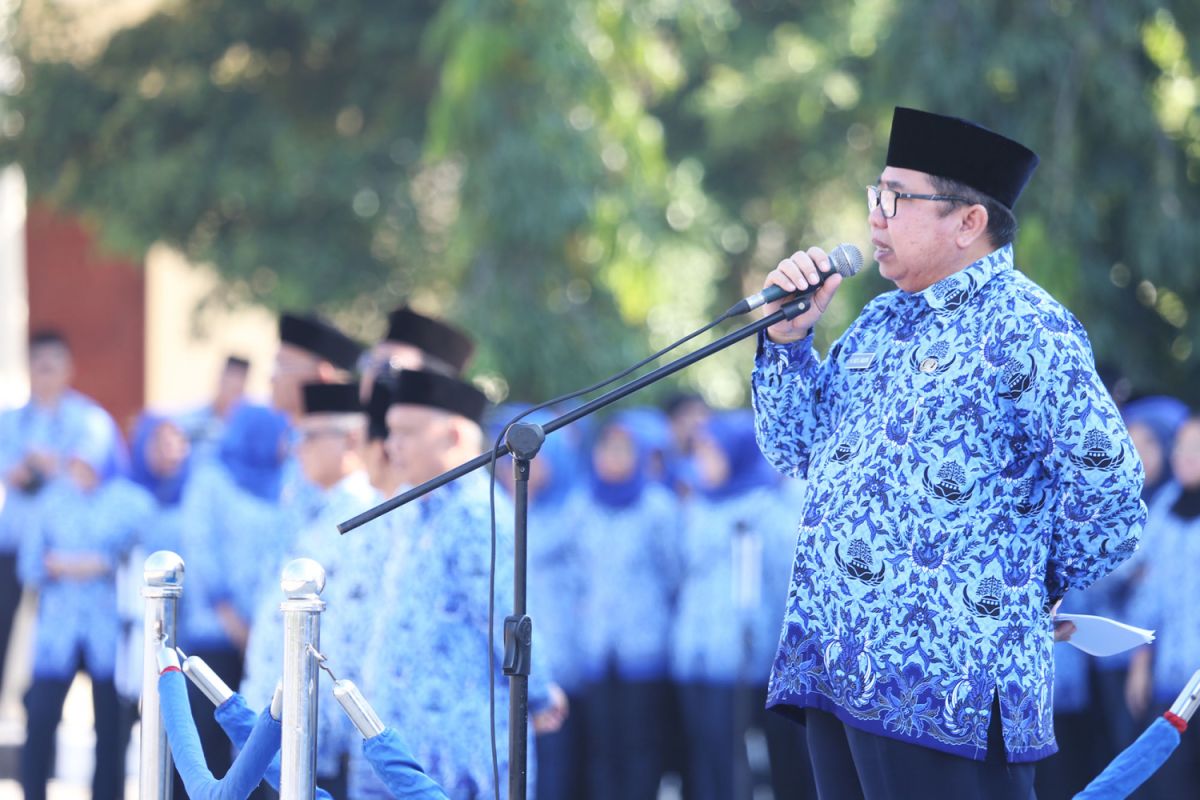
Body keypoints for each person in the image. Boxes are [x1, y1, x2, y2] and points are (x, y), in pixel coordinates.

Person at [750, 107, 1146, 798]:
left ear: (969, 223)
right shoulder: (880, 323)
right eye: (876, 194)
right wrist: (788, 344)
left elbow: (1110, 498)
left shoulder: (1029, 327)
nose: (875, 215)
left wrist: (1023, 581)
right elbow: (797, 448)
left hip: (949, 684)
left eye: (896, 198)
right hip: (839, 670)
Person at [358, 369, 566, 799]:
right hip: (406, 749)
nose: (391, 445)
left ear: (453, 435)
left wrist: (541, 694)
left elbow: (507, 619)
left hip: (458, 755)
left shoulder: (475, 512)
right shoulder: (419, 508)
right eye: (390, 431)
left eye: (406, 432)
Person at [240, 383, 382, 799]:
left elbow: (350, 631)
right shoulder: (312, 503)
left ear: (350, 440)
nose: (297, 448)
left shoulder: (363, 515)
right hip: (281, 725)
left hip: (316, 732)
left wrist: (331, 727)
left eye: (310, 437)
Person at [671, 409, 814, 800]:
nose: (703, 462)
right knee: (705, 756)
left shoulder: (766, 507)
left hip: (746, 654)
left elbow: (783, 579)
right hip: (694, 650)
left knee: (747, 762)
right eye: (700, 453)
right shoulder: (695, 505)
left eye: (711, 452)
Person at [18, 425, 152, 800]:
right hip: (58, 631)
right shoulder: (52, 501)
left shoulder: (133, 502)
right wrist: (60, 567)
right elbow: (29, 565)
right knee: (41, 717)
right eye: (77, 463)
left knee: (111, 725)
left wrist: (102, 564)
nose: (83, 472)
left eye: (91, 463)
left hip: (109, 631)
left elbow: (144, 557)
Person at [0, 330, 121, 704]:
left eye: (54, 366)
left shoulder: (90, 419)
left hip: (67, 554)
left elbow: (86, 471)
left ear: (69, 369)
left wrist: (49, 463)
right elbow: (15, 472)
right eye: (40, 366)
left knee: (67, 649)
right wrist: (50, 464)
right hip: (15, 542)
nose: (47, 374)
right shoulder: (10, 420)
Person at [572, 409, 680, 800]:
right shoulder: (583, 504)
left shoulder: (658, 506)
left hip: (644, 643)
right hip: (597, 643)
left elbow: (673, 573)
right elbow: (577, 573)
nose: (612, 457)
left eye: (623, 450)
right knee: (601, 749)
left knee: (641, 747)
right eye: (606, 448)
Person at [1125, 414, 1200, 798]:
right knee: (1171, 784)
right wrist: (1140, 665)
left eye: (1195, 449)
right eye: (1181, 447)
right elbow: (1146, 594)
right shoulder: (1166, 508)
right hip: (1173, 679)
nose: (1185, 457)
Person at [178, 354, 251, 462]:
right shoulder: (192, 421)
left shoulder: (247, 426)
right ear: (221, 379)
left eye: (238, 388)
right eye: (230, 381)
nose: (234, 387)